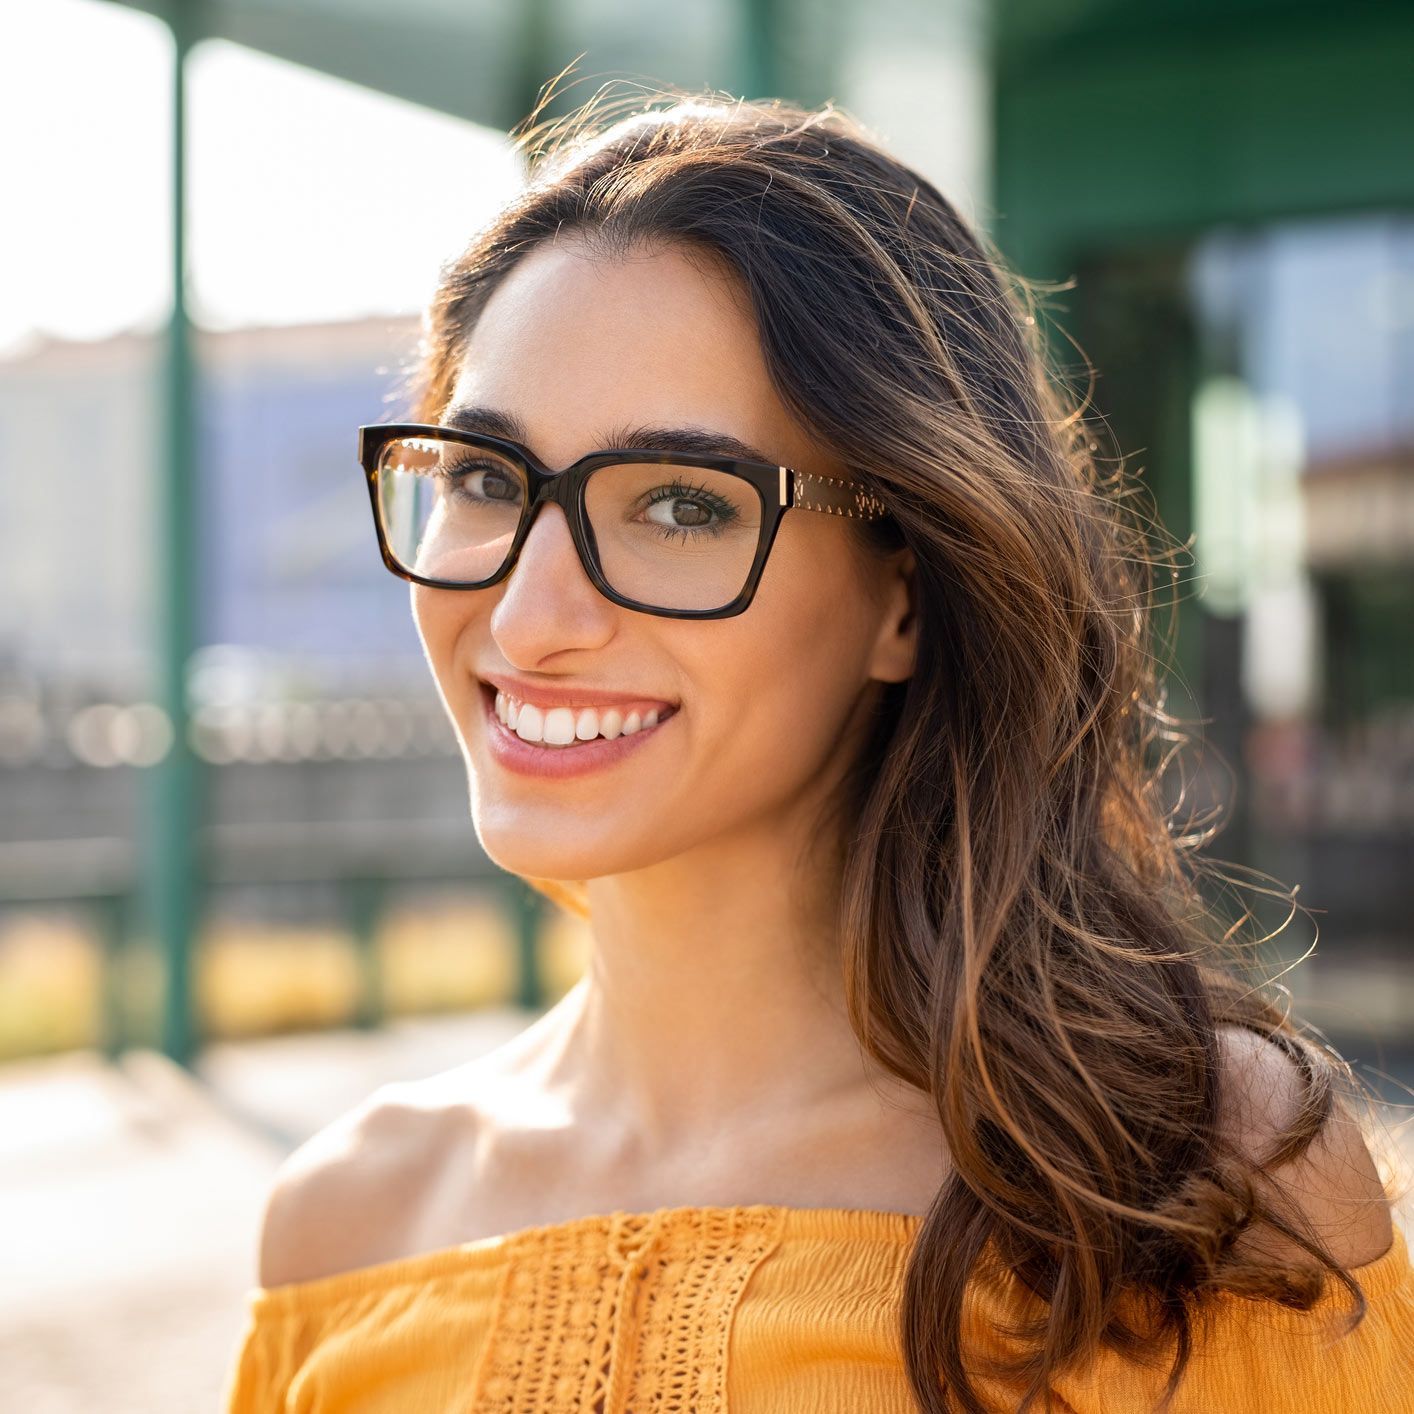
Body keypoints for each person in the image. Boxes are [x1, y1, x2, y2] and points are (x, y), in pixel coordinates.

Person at [222, 91, 1414, 1413]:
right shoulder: (343, 1227)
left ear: (901, 591)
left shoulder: (1194, 1186)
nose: (528, 615)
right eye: (487, 481)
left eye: (680, 503)